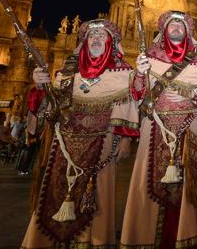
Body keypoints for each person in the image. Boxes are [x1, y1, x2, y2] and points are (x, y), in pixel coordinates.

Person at [21, 19, 138, 249]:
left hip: (103, 145)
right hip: (64, 145)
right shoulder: (66, 72)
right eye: (91, 36)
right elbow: (50, 110)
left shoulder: (124, 73)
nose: (95, 39)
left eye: (101, 36)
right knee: (55, 191)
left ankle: (93, 242)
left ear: (111, 43)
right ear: (84, 41)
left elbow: (128, 106)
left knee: (98, 196)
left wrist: (125, 139)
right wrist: (40, 87)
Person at [120, 10, 197, 249]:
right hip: (156, 128)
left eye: (181, 24)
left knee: (189, 186)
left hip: (191, 129)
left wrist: (193, 95)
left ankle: (189, 236)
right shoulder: (149, 58)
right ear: (163, 30)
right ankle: (146, 238)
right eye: (172, 23)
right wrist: (140, 74)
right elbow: (137, 96)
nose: (176, 26)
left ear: (188, 31)